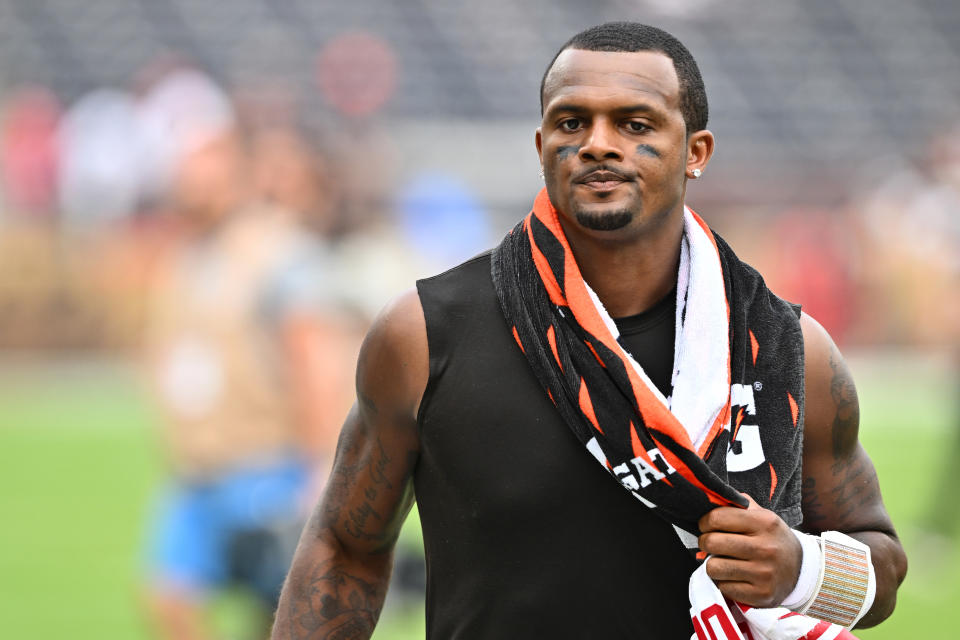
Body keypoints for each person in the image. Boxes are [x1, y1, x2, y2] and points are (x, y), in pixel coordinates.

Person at [272, 22, 907, 639]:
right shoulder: (423, 335)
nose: (598, 143)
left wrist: (801, 568)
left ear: (697, 152)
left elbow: (884, 567)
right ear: (541, 142)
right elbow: (344, 547)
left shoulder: (789, 352)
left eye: (636, 124)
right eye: (573, 122)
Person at [142, 122, 355, 640]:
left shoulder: (278, 254)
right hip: (199, 470)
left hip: (266, 463)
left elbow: (314, 363)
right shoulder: (187, 255)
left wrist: (317, 471)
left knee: (276, 616)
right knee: (167, 596)